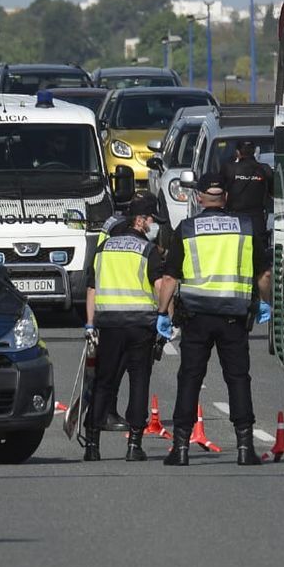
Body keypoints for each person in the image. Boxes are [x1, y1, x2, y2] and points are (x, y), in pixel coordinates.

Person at [161, 178, 265, 467]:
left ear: (199, 197)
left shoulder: (187, 229)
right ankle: (245, 447)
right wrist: (265, 302)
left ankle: (180, 448)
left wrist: (161, 313)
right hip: (234, 315)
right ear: (227, 197)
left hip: (196, 317)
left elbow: (169, 278)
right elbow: (264, 275)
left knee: (190, 379)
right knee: (238, 379)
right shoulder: (246, 227)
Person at [82, 195, 176, 461]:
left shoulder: (103, 249)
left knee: (103, 382)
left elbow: (92, 289)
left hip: (108, 324)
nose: (153, 225)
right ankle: (134, 446)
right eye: (150, 220)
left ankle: (92, 445)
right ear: (139, 220)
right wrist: (167, 317)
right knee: (139, 382)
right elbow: (160, 287)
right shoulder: (147, 251)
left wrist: (90, 324)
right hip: (140, 326)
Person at [215, 139, 274, 298]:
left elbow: (219, 192)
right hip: (257, 223)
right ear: (255, 152)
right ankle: (263, 300)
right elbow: (274, 194)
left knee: (234, 260)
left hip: (234, 222)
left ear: (238, 152)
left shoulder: (229, 168)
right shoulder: (265, 170)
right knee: (260, 265)